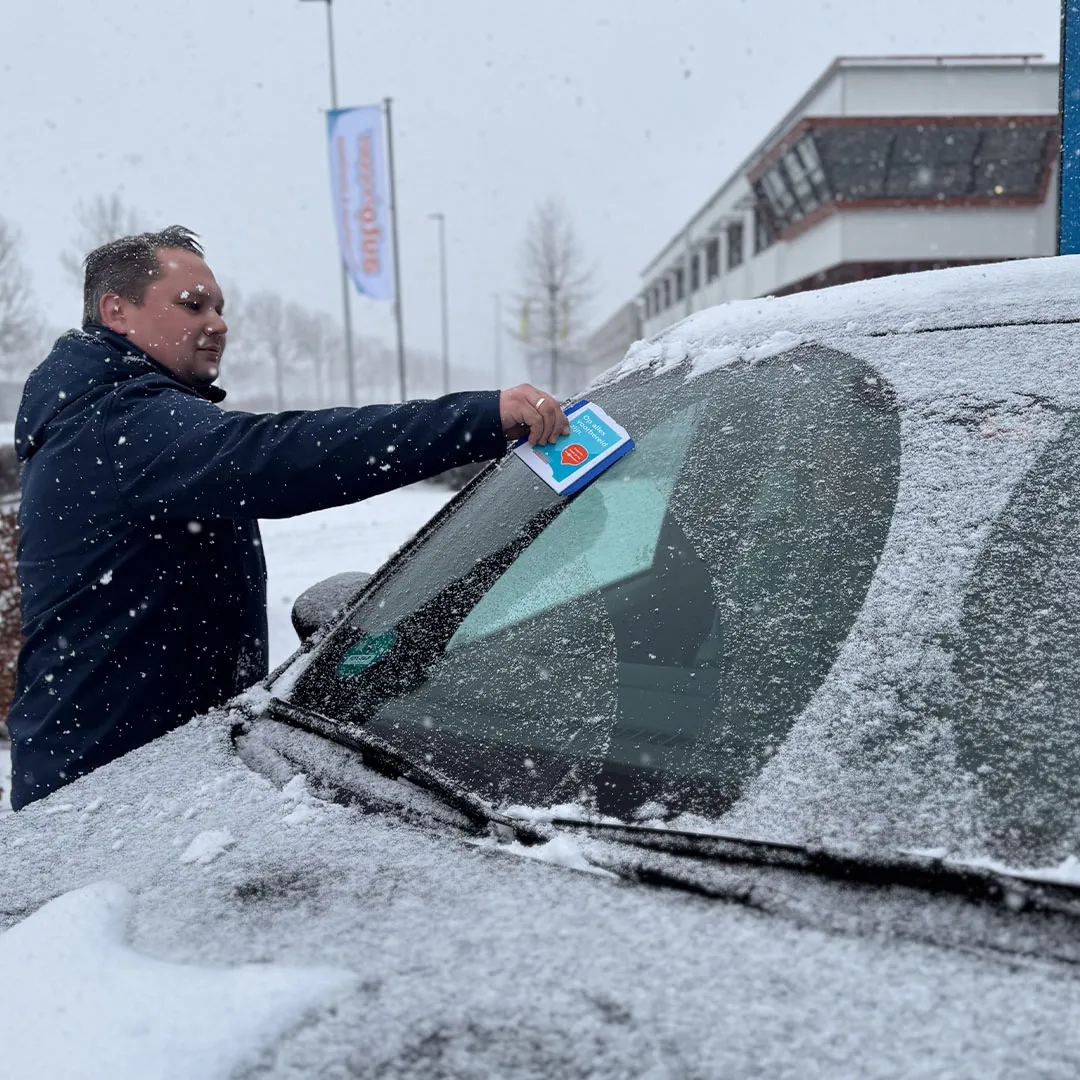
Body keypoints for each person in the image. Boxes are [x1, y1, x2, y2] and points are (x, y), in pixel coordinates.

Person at [8, 225, 568, 810]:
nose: (218, 323)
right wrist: (478, 418)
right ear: (116, 311)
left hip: (136, 773)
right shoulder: (120, 422)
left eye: (220, 307)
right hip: (102, 794)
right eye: (192, 304)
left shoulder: (109, 414)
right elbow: (283, 454)